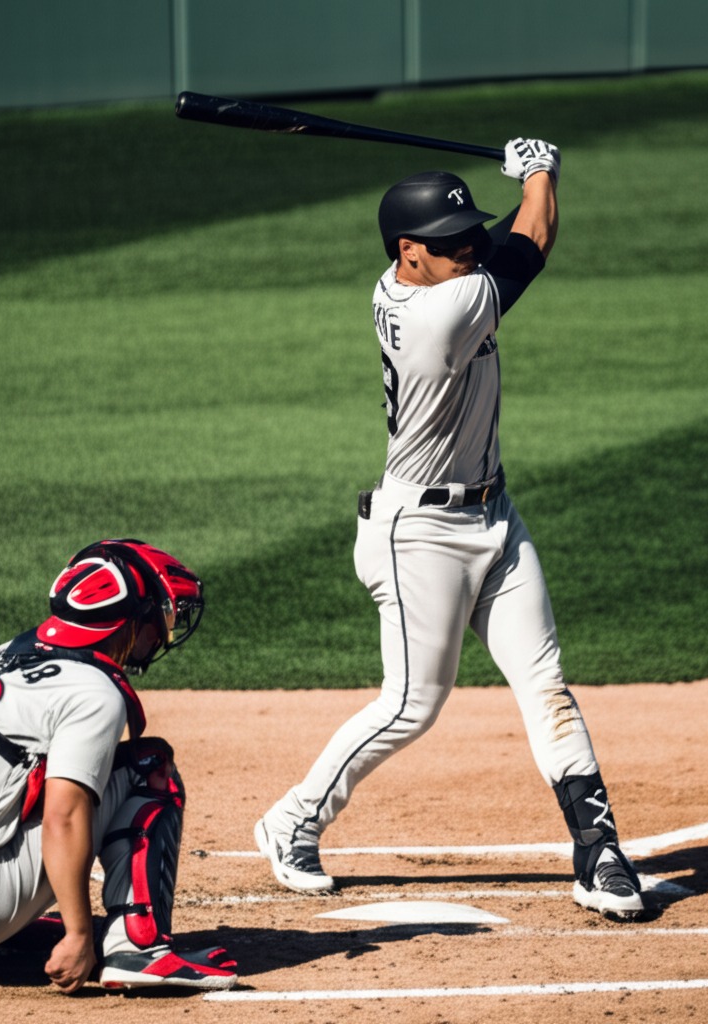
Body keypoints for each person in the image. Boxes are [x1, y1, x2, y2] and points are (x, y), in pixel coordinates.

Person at [255, 139, 644, 921]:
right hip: (418, 536)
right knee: (411, 705)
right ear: (410, 254)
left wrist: (520, 191)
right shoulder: (443, 310)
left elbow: (501, 244)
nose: (471, 251)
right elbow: (528, 243)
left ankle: (599, 853)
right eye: (454, 244)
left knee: (546, 685)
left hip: (494, 514)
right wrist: (540, 173)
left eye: (471, 239)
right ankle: (293, 818)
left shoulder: (421, 281)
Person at [0, 538, 238, 991]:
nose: (164, 633)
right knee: (150, 765)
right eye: (162, 618)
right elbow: (63, 816)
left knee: (20, 782)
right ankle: (138, 949)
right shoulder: (92, 692)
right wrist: (78, 936)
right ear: (132, 621)